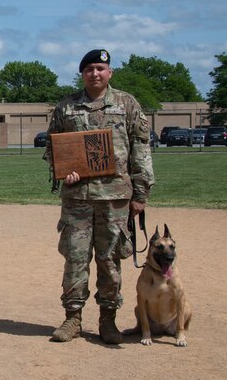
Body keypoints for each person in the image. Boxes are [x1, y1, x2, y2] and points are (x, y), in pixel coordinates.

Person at [45, 49, 154, 344]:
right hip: (77, 198)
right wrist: (63, 169)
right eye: (89, 68)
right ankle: (73, 319)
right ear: (82, 73)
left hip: (115, 198)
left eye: (100, 68)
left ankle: (108, 321)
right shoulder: (66, 107)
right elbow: (52, 149)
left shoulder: (127, 104)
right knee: (75, 258)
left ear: (109, 72)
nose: (95, 73)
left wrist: (141, 193)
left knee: (109, 261)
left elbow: (141, 150)